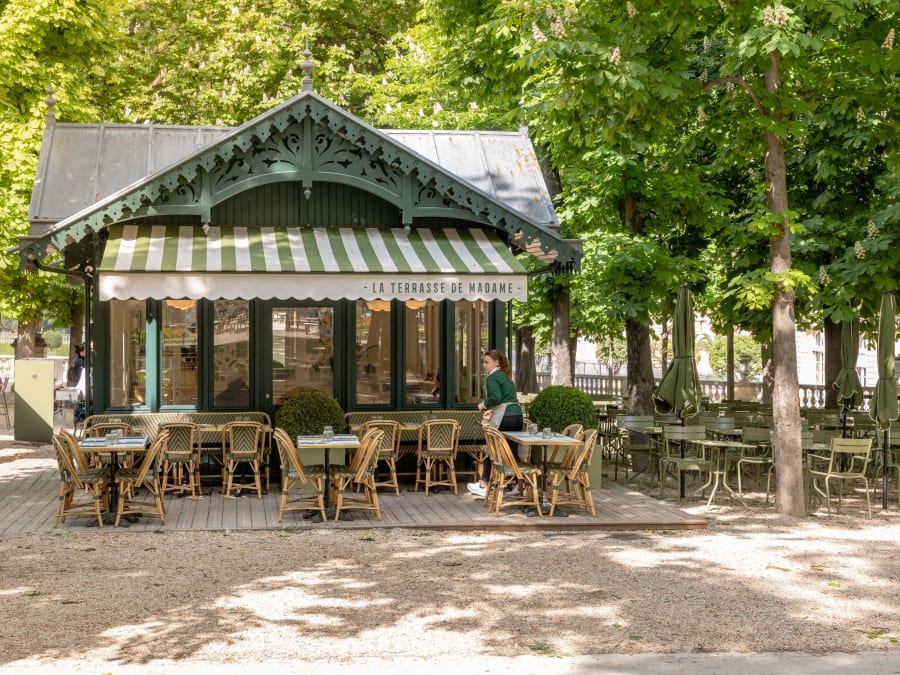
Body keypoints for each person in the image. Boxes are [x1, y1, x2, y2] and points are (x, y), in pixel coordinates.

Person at [467, 349, 523, 497]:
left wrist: (484, 405)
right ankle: (520, 486)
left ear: (496, 363)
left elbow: (496, 398)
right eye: (483, 362)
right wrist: (493, 410)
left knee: (492, 449)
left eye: (487, 362)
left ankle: (484, 484)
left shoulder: (492, 377)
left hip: (505, 417)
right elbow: (507, 398)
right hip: (517, 416)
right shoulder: (505, 375)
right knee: (512, 452)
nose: (484, 365)